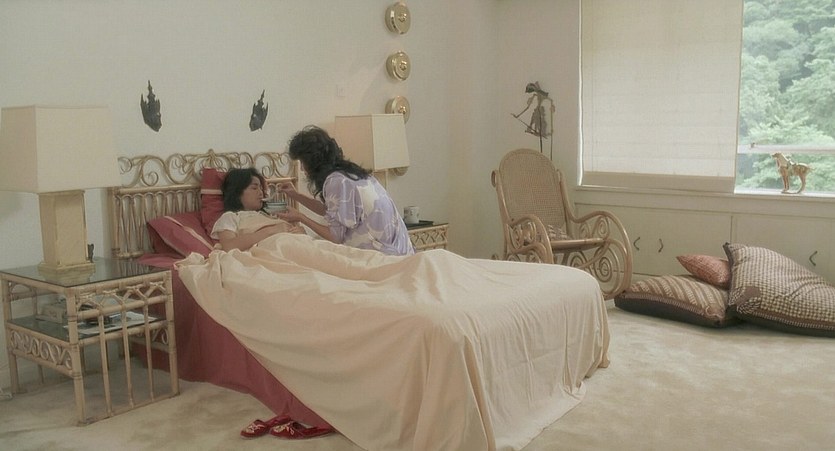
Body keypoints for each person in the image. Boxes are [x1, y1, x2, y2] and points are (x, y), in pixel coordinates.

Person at [277, 125, 415, 256]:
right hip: (401, 251)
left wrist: (301, 218)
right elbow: (333, 212)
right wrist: (296, 195)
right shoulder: (349, 174)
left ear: (313, 161)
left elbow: (335, 237)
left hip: (383, 255)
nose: (302, 169)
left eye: (302, 162)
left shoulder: (336, 182)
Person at [211, 167, 304, 251]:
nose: (261, 192)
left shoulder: (268, 216)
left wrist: (300, 232)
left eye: (261, 188)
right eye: (254, 188)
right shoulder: (230, 217)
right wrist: (272, 230)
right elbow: (229, 246)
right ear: (237, 192)